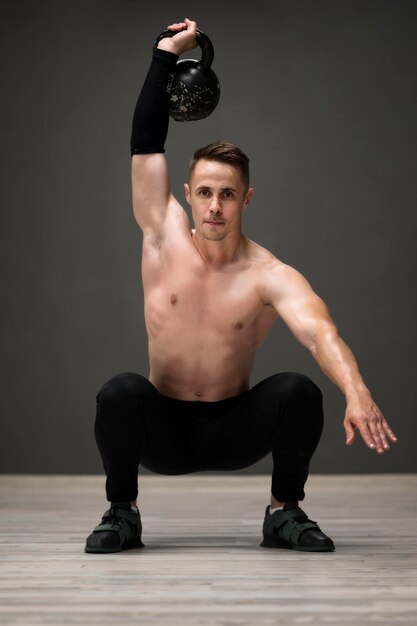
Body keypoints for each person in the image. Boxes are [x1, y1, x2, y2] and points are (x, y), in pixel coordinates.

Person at [85, 18, 397, 554]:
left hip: (235, 428)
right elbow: (145, 141)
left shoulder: (270, 275)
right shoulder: (161, 234)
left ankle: (283, 512)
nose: (213, 206)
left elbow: (320, 334)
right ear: (186, 193)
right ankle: (122, 512)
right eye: (204, 192)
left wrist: (358, 391)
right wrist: (164, 55)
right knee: (119, 392)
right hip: (164, 428)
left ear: (245, 200)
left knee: (299, 391)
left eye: (227, 195)